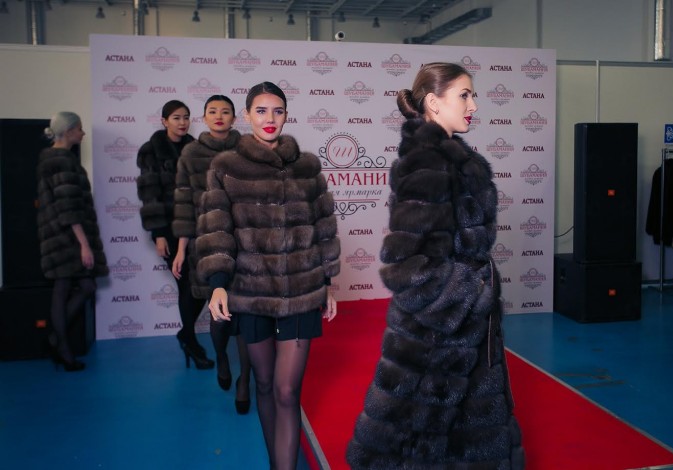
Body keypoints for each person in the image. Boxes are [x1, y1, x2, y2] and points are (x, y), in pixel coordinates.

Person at [346, 63, 525, 468]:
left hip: (460, 337)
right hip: (437, 344)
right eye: (464, 95)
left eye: (473, 95)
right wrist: (471, 297)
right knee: (418, 448)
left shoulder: (453, 158)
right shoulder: (427, 162)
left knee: (459, 442)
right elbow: (407, 265)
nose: (473, 105)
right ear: (433, 101)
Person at [196, 82, 341, 469]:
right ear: (247, 115)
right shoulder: (225, 168)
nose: (270, 118)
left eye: (278, 110)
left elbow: (324, 227)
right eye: (261, 111)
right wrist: (218, 284)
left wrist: (327, 282)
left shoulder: (308, 167)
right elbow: (217, 229)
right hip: (251, 292)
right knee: (263, 384)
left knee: (287, 391)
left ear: (287, 115)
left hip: (302, 292)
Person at [172, 95, 252, 410]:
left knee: (245, 314)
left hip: (245, 242)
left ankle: (244, 381)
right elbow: (182, 203)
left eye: (225, 111)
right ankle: (221, 356)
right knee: (220, 314)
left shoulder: (247, 148)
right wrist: (182, 249)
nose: (219, 116)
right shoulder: (191, 153)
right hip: (206, 242)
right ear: (204, 118)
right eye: (212, 111)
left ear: (234, 117)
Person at [136, 100, 215, 370]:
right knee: (186, 284)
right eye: (176, 117)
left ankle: (185, 335)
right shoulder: (150, 150)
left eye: (186, 117)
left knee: (200, 285)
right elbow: (150, 195)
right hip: (168, 229)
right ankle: (190, 341)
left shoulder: (195, 148)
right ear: (164, 121)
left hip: (197, 227)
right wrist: (158, 234)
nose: (182, 122)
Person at [36, 111, 108, 371]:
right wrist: (84, 245)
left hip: (60, 235)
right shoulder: (61, 160)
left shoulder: (55, 158)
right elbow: (68, 208)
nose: (83, 133)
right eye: (79, 128)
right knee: (66, 287)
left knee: (80, 286)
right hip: (65, 238)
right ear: (68, 131)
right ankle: (62, 349)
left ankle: (56, 340)